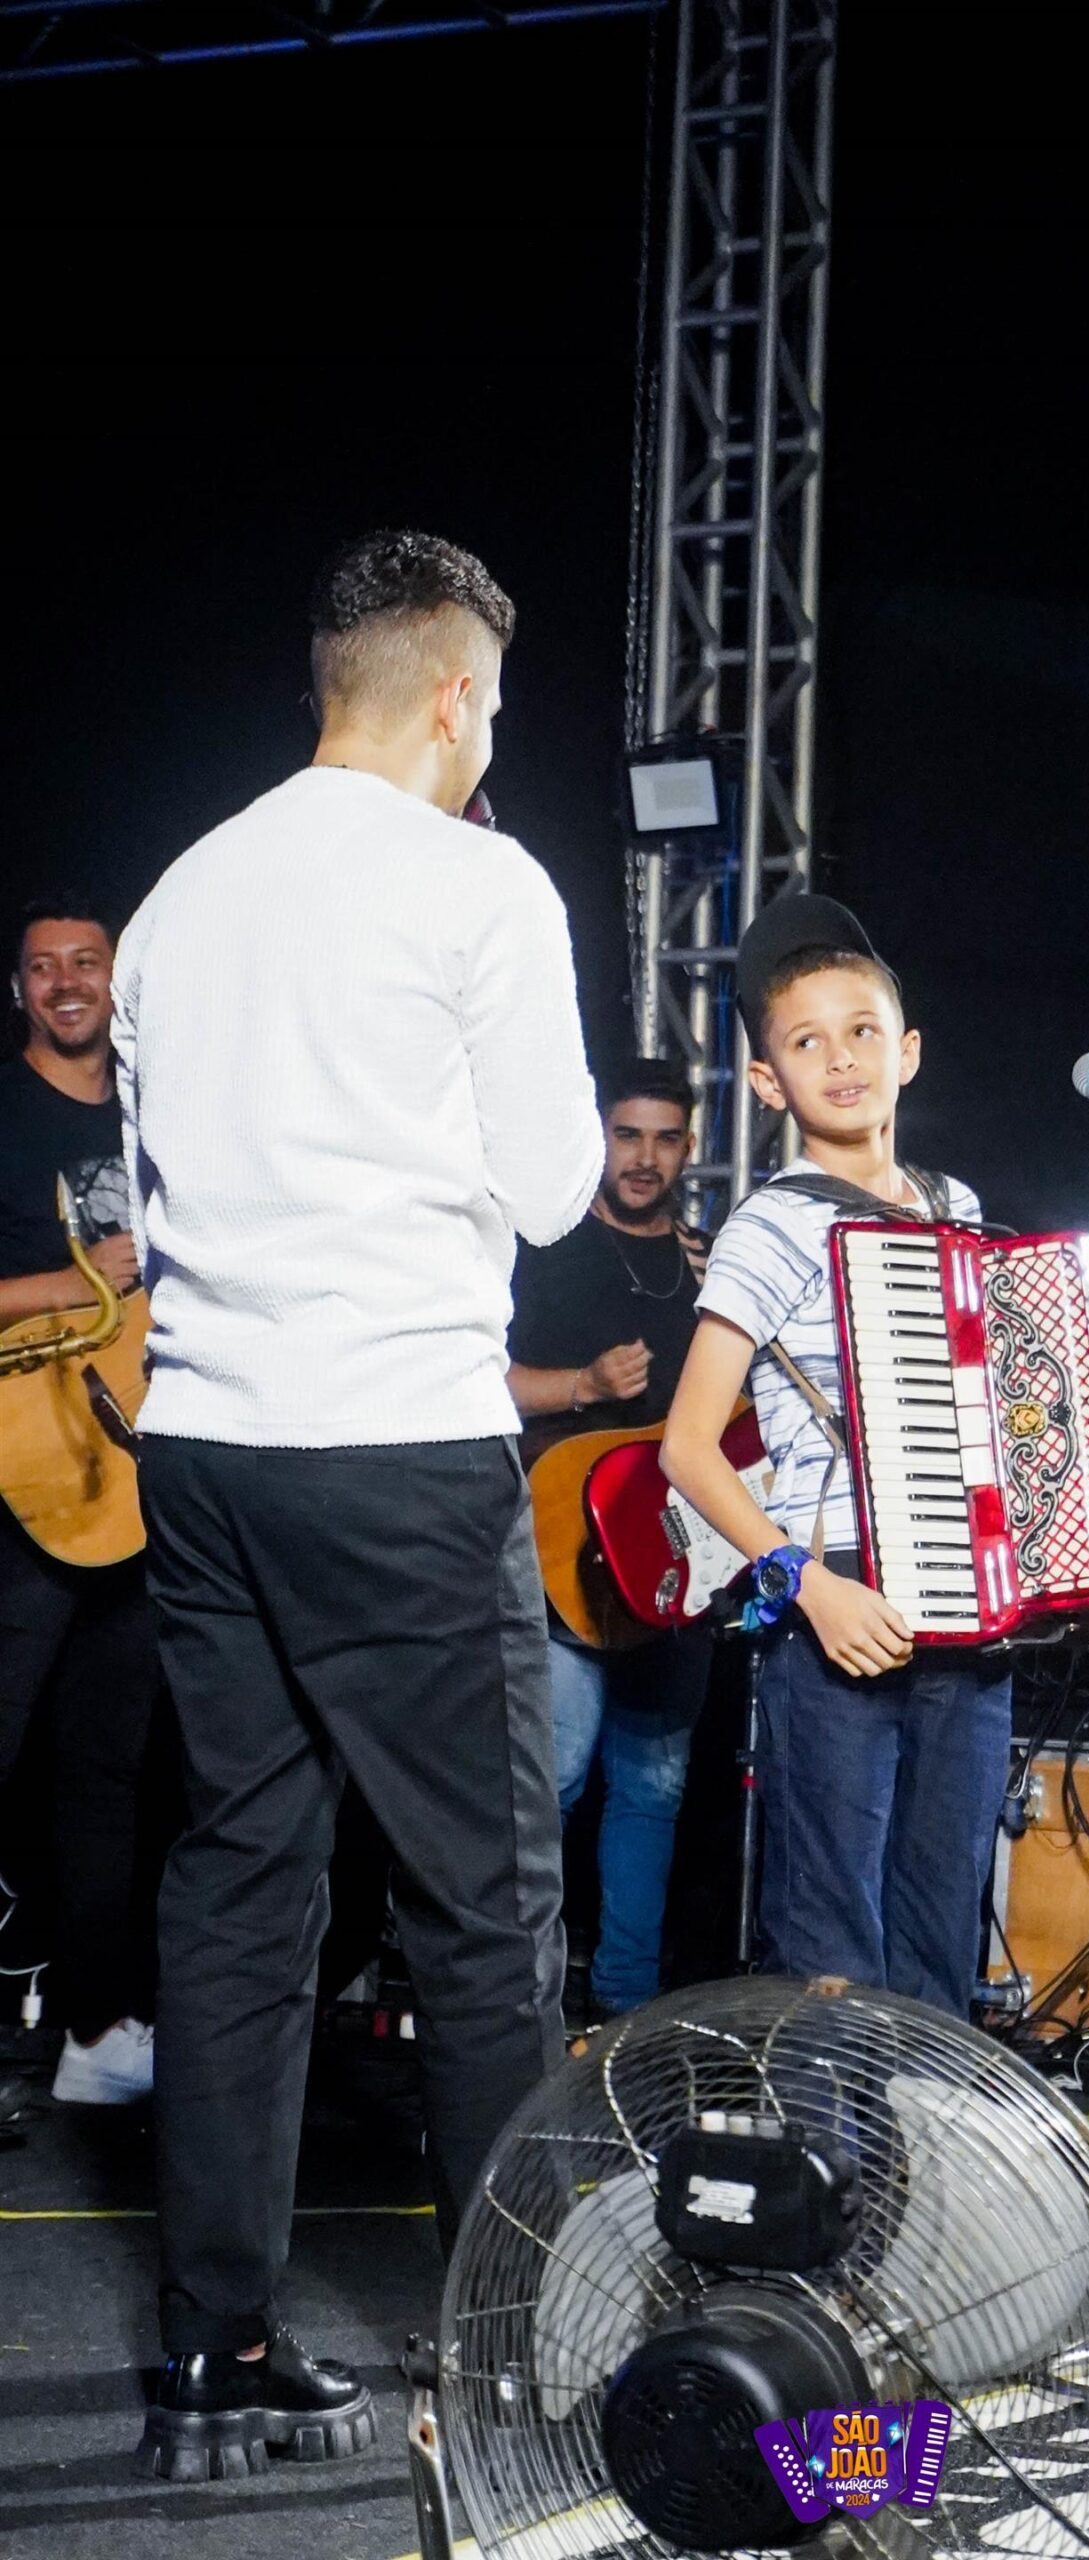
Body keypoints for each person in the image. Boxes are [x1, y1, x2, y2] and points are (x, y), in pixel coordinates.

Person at [113, 530, 603, 2482]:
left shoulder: (177, 896)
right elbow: (555, 1187)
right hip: (396, 1441)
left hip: (205, 1447)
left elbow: (156, 1204)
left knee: (241, 1887)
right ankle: (515, 2376)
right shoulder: (479, 882)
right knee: (482, 1910)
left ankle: (210, 2347)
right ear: (457, 695)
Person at [660, 895, 1089, 2016]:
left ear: (906, 1053)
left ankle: (922, 2131)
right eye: (806, 1042)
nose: (840, 1059)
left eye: (861, 1032)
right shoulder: (769, 1226)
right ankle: (833, 2133)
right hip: (837, 1602)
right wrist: (807, 1588)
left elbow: (1012, 1417)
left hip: (968, 1608)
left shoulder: (957, 1208)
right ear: (767, 1081)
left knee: (941, 1927)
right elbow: (688, 1448)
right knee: (830, 1945)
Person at [507, 1055, 712, 2019]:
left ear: (689, 1147)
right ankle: (518, 2007)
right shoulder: (544, 1248)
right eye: (627, 1134)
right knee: (553, 1778)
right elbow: (476, 1379)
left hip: (677, 1559)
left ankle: (627, 2007)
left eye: (664, 1139)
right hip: (560, 1561)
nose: (644, 1158)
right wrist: (583, 1386)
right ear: (598, 1136)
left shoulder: (708, 1267)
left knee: (654, 1790)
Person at [0, 896, 163, 2106]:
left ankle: (98, 2033)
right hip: (25, 1476)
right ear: (20, 992)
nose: (67, 982)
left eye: (86, 962)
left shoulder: (158, 1110)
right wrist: (74, 1279)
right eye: (43, 967)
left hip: (137, 1481)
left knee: (115, 1766)